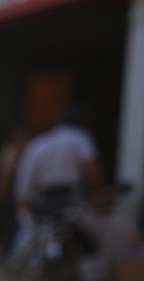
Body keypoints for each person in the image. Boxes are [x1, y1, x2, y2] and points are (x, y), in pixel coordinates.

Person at [11, 103, 104, 259]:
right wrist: (100, 192)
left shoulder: (38, 143)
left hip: (41, 204)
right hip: (71, 203)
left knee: (28, 238)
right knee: (93, 238)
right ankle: (94, 278)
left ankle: (15, 271)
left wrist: (22, 206)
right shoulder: (80, 137)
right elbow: (92, 170)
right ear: (83, 123)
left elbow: (24, 183)